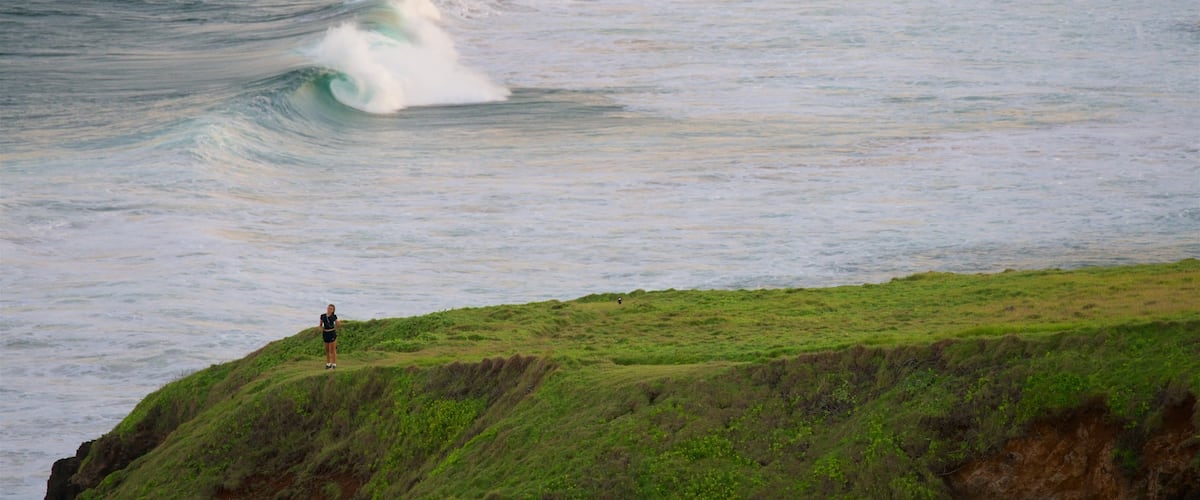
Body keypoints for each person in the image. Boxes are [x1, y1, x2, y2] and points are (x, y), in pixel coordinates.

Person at [320, 304, 342, 369]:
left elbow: (337, 324)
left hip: (332, 333)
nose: (329, 309)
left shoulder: (334, 316)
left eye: (331, 309)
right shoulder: (322, 316)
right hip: (325, 333)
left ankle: (334, 364)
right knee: (327, 350)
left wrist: (339, 323)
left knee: (333, 350)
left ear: (333, 310)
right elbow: (320, 325)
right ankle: (328, 363)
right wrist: (321, 329)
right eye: (329, 308)